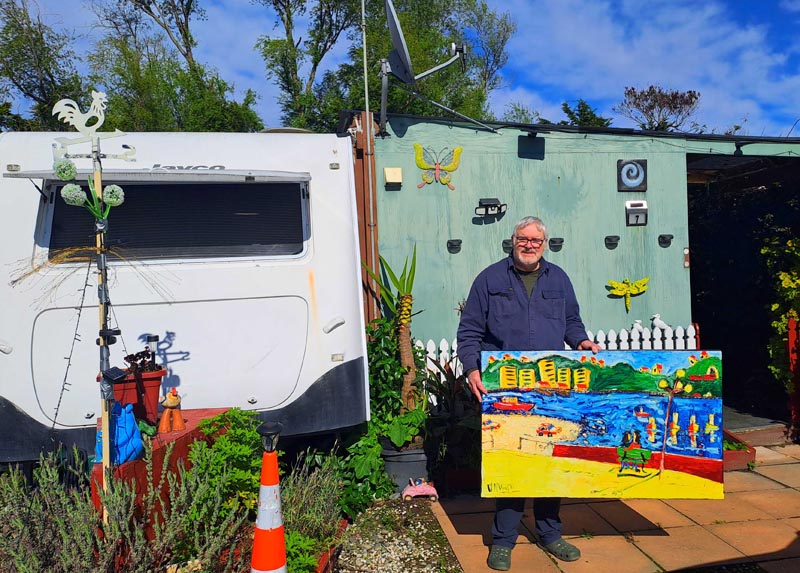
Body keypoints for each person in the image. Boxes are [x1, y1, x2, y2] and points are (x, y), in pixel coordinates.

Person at [456, 216, 599, 571]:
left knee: (550, 462)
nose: (530, 244)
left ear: (544, 244)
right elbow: (469, 330)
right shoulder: (489, 279)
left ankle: (550, 534)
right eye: (523, 238)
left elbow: (571, 322)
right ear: (512, 241)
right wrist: (472, 369)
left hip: (550, 388)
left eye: (536, 240)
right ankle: (503, 541)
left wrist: (581, 341)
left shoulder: (560, 279)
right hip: (504, 388)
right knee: (511, 464)